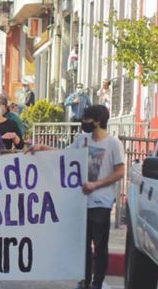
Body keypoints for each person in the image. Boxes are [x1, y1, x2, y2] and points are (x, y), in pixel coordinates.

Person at [26, 105, 124, 289]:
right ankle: (85, 280)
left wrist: (96, 184)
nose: (83, 122)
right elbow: (66, 155)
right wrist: (42, 148)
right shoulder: (82, 140)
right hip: (81, 203)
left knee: (100, 246)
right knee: (83, 245)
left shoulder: (113, 144)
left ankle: (97, 282)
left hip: (101, 202)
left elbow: (120, 172)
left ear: (97, 121)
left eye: (86, 119)